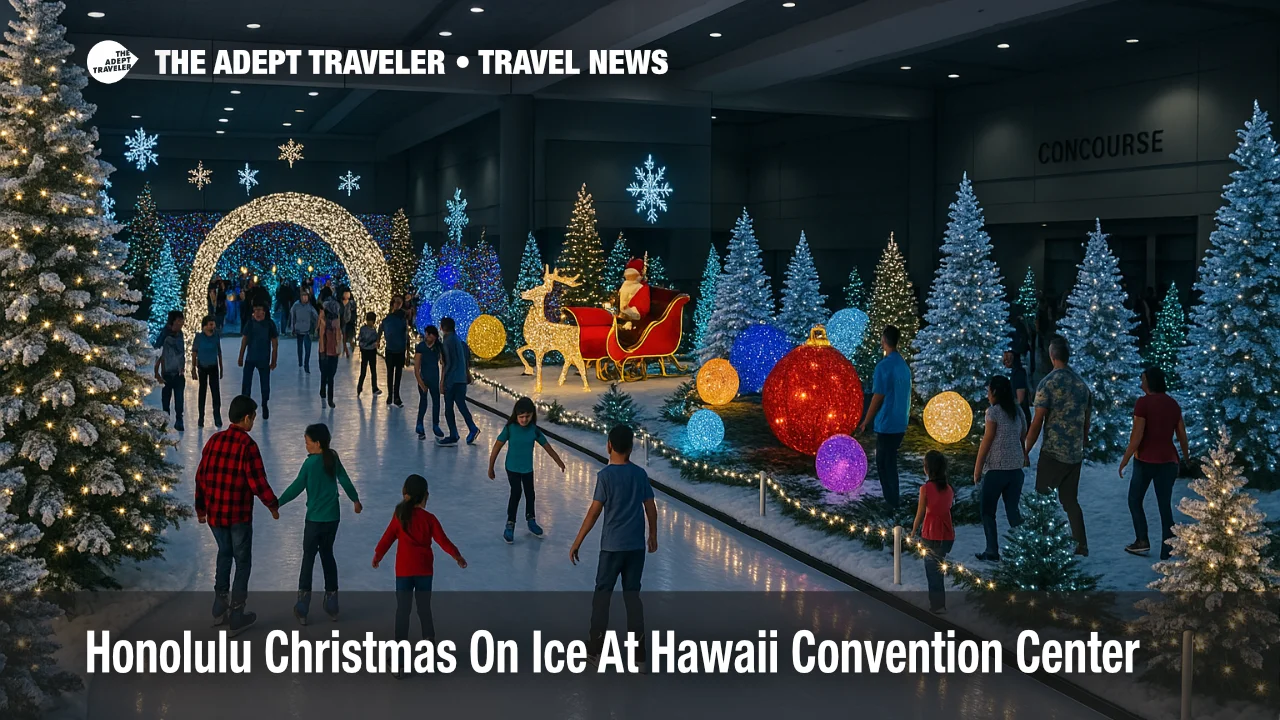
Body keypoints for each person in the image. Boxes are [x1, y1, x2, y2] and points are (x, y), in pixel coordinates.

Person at [570, 425, 658, 664]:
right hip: (635, 548)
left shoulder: (605, 477)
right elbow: (650, 506)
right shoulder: (640, 475)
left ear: (609, 446)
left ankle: (596, 648)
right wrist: (653, 535)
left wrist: (577, 541)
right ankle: (639, 654)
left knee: (602, 595)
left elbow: (594, 513)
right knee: (632, 596)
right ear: (631, 448)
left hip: (611, 548)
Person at [194, 395, 279, 636]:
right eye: (253, 417)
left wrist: (201, 509)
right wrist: (272, 505)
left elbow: (201, 476)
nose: (254, 421)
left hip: (216, 516)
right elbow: (257, 482)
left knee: (224, 554)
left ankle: (219, 605)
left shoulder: (213, 440)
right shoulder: (247, 446)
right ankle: (237, 614)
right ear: (246, 418)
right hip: (238, 516)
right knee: (242, 562)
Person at [372, 474, 467, 679]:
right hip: (424, 572)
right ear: (425, 496)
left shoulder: (399, 516)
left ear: (405, 494)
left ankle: (399, 659)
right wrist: (457, 556)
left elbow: (387, 538)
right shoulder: (429, 519)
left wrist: (378, 555)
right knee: (424, 609)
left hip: (404, 573)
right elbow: (443, 541)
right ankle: (429, 647)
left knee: (402, 612)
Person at [278, 423, 362, 625]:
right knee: (327, 555)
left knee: (308, 558)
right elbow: (345, 480)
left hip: (314, 521)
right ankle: (332, 603)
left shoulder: (309, 464)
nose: (305, 446)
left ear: (317, 443)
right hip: (332, 519)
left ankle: (303, 606)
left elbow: (297, 486)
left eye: (307, 442)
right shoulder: (332, 457)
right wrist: (355, 500)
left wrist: (277, 503)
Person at [1025, 335, 1093, 556]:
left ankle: (1041, 544)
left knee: (1042, 500)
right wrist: (1082, 441)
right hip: (1074, 454)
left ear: (1052, 356)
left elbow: (1037, 422)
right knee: (1070, 500)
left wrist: (1026, 449)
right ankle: (1081, 544)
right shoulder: (1082, 385)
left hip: (1053, 453)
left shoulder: (1047, 384)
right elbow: (1086, 421)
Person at [1119, 367, 1189, 560]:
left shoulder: (1143, 403)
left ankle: (1142, 541)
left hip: (1145, 460)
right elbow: (1182, 434)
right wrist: (1186, 457)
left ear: (1150, 382)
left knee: (1135, 500)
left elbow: (1137, 436)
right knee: (1164, 504)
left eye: (1143, 379)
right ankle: (1168, 547)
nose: (1141, 383)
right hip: (1169, 461)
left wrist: (1124, 460)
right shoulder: (1173, 404)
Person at [488, 396, 567, 544]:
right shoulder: (510, 429)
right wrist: (491, 466)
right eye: (521, 417)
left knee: (530, 493)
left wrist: (559, 461)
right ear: (516, 416)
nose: (524, 420)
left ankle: (531, 519)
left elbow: (547, 447)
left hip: (527, 469)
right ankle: (510, 523)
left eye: (527, 416)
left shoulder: (534, 431)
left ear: (532, 415)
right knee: (516, 492)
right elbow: (497, 446)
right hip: (512, 467)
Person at [972, 375, 1028, 562]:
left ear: (995, 392)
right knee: (1013, 511)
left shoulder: (993, 412)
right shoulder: (1017, 411)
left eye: (988, 391)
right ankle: (1026, 548)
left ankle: (992, 551)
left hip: (996, 469)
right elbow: (1023, 435)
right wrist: (1023, 455)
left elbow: (987, 440)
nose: (987, 395)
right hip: (1016, 469)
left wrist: (978, 467)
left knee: (987, 511)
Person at [857, 325, 911, 509]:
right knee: (889, 461)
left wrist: (866, 421)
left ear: (883, 340)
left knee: (884, 464)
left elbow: (877, 397)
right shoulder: (903, 366)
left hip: (887, 424)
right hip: (900, 422)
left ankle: (892, 502)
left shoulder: (884, 366)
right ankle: (893, 499)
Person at [910, 451, 954, 614]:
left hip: (931, 534)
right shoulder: (949, 489)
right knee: (938, 568)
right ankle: (939, 602)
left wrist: (913, 530)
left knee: (932, 571)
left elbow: (920, 513)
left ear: (927, 469)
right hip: (947, 534)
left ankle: (937, 606)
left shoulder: (925, 489)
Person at [437, 316, 479, 446]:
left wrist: (442, 381)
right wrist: (467, 374)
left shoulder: (447, 341)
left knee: (449, 408)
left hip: (452, 379)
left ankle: (453, 433)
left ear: (442, 328)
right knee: (461, 405)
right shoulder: (459, 341)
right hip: (460, 378)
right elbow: (465, 359)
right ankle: (472, 428)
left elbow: (446, 363)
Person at [237, 304, 278, 420]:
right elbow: (244, 341)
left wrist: (274, 360)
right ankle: (246, 407)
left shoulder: (269, 324)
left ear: (264, 312)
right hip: (250, 358)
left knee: (265, 384)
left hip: (263, 359)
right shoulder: (250, 324)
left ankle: (265, 403)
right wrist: (241, 356)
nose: (258, 313)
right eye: (255, 311)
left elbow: (275, 343)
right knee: (246, 384)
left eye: (260, 310)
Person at [153, 310, 186, 432]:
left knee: (179, 399)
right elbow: (158, 353)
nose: (182, 322)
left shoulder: (180, 334)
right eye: (179, 320)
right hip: (167, 373)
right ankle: (165, 421)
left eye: (182, 320)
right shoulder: (165, 335)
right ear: (173, 321)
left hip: (178, 373)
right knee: (166, 400)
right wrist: (156, 372)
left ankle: (179, 420)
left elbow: (181, 352)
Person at [191, 314, 224, 428]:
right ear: (204, 326)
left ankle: (217, 416)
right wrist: (193, 368)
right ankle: (201, 417)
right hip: (202, 367)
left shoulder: (216, 336)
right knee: (202, 391)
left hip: (213, 366)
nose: (213, 326)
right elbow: (194, 352)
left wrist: (221, 366)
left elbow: (219, 351)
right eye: (210, 324)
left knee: (215, 392)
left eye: (213, 324)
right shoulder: (199, 337)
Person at [413, 325, 443, 439]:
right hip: (424, 378)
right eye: (426, 334)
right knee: (423, 402)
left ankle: (436, 424)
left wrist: (442, 381)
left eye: (429, 334)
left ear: (434, 336)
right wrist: (420, 382)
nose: (427, 336)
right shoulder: (421, 347)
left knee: (436, 402)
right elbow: (417, 367)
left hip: (434, 378)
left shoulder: (438, 347)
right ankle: (419, 424)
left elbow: (443, 363)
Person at [380, 297, 409, 407]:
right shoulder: (388, 318)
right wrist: (378, 339)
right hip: (391, 349)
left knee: (397, 374)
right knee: (390, 373)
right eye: (396, 302)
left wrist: (406, 352)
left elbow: (406, 335)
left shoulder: (402, 318)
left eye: (399, 302)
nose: (398, 304)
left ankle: (396, 396)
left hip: (399, 350)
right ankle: (391, 395)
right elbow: (381, 328)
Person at [318, 298, 343, 408]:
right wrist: (322, 351)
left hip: (332, 351)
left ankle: (325, 393)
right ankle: (328, 396)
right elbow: (322, 337)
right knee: (327, 375)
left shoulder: (336, 322)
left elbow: (338, 337)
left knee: (329, 375)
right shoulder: (325, 322)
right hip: (327, 352)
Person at [290, 289, 319, 373]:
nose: (305, 298)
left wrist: (316, 325)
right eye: (303, 296)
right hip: (299, 329)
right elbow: (293, 317)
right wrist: (293, 328)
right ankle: (300, 362)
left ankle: (306, 364)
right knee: (300, 347)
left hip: (307, 330)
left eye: (306, 296)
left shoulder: (309, 306)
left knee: (308, 348)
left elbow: (315, 316)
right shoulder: (296, 305)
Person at [1003, 348, 1031, 424]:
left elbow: (1020, 399)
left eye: (1006, 359)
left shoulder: (1018, 373)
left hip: (1021, 417)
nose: (1004, 361)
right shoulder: (1015, 372)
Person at [357, 311, 382, 396]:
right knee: (364, 371)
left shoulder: (373, 329)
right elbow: (361, 340)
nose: (370, 322)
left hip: (371, 352)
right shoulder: (364, 329)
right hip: (366, 351)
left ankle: (374, 387)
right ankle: (360, 387)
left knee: (373, 370)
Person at [340, 289, 357, 357]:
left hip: (350, 322)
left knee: (350, 337)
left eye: (348, 294)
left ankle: (350, 349)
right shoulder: (341, 303)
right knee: (344, 337)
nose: (346, 295)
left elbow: (354, 312)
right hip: (343, 322)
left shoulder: (352, 303)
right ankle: (346, 351)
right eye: (345, 294)